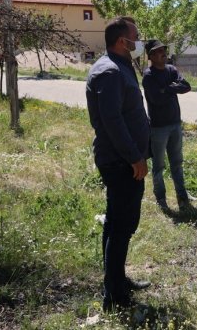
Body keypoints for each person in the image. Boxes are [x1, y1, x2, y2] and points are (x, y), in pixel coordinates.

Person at [85, 16, 151, 311]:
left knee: (116, 224)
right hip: (121, 161)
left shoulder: (120, 65)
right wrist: (134, 157)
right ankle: (114, 296)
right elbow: (112, 121)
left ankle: (116, 280)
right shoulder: (110, 71)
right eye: (135, 37)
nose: (138, 42)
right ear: (121, 41)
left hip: (124, 158)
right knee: (121, 225)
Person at [142, 39, 195, 211]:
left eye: (163, 50)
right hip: (158, 127)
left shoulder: (171, 69)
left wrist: (166, 89)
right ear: (151, 56)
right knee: (158, 166)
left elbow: (186, 86)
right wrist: (172, 88)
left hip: (175, 124)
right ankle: (161, 198)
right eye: (158, 51)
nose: (163, 53)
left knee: (177, 162)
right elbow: (156, 100)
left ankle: (182, 196)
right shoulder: (148, 75)